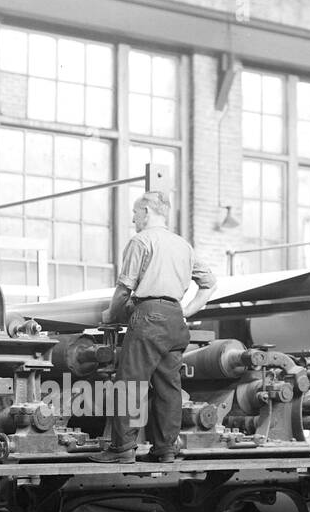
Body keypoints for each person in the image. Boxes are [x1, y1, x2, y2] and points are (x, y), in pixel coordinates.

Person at [90, 191, 217, 464]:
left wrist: (110, 316)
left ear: (146, 211)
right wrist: (185, 311)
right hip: (175, 320)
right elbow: (209, 283)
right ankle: (165, 449)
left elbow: (124, 288)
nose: (134, 219)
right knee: (168, 386)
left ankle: (123, 447)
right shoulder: (184, 246)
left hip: (148, 318)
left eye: (135, 213)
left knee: (131, 383)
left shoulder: (141, 241)